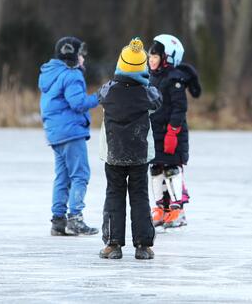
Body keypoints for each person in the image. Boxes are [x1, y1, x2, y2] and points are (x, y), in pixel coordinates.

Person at [98, 38, 162, 260]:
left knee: (114, 196)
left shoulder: (108, 92)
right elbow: (157, 100)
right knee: (140, 198)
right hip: (139, 155)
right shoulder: (146, 94)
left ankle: (113, 243)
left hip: (113, 154)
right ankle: (143, 245)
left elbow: (100, 94)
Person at [39, 36, 100, 237]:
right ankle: (75, 219)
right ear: (72, 55)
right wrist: (100, 97)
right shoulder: (71, 75)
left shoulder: (51, 73)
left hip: (55, 133)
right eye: (81, 55)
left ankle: (58, 221)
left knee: (63, 177)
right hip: (70, 132)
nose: (83, 59)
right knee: (80, 175)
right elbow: (78, 103)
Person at [148, 34, 201, 229]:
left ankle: (178, 210)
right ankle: (162, 209)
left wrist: (173, 131)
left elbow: (179, 108)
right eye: (150, 56)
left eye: (155, 56)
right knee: (155, 169)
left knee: (171, 168)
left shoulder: (174, 79)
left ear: (167, 57)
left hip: (172, 133)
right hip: (155, 133)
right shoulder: (151, 77)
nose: (151, 60)